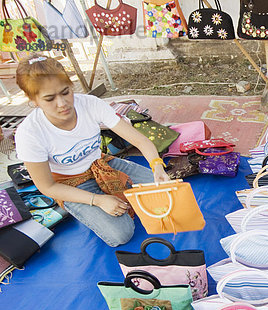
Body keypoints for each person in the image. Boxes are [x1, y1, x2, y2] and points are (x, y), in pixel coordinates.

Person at [14, 55, 170, 247]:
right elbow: (47, 187)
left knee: (165, 189)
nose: (62, 104)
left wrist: (157, 166)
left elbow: (140, 140)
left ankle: (121, 197)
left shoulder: (90, 104)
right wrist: (98, 200)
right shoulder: (30, 133)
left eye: (65, 92)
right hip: (70, 184)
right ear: (33, 100)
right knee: (121, 233)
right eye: (49, 99)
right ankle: (86, 206)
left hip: (102, 164)